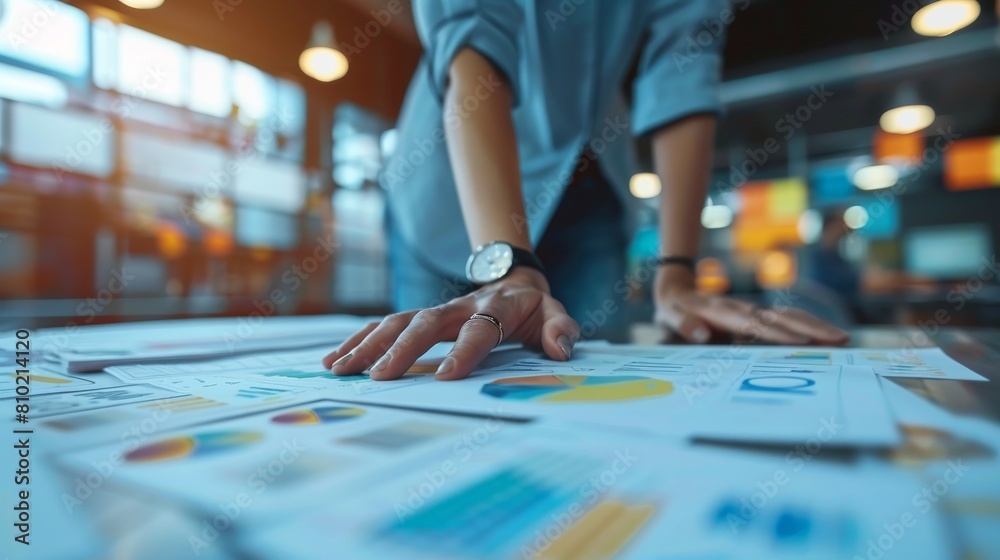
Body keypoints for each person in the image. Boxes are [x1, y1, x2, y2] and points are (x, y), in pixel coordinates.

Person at [322, 0, 849, 381]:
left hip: (589, 189)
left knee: (583, 387)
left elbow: (682, 65)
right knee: (430, 387)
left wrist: (677, 274)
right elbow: (472, 35)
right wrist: (511, 264)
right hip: (448, 188)